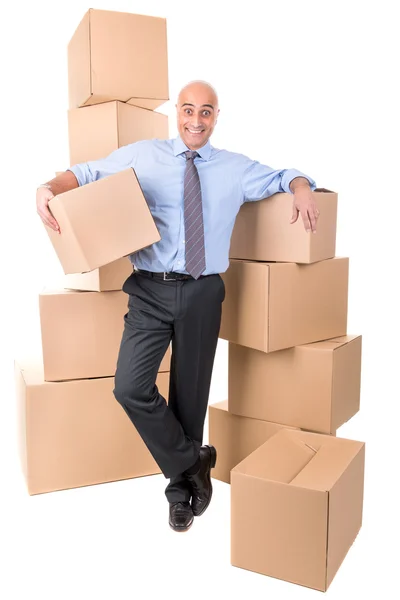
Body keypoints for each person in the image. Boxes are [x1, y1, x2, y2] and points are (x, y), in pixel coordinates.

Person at [36, 80, 318, 533]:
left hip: (203, 291)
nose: (195, 120)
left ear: (216, 117)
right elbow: (84, 173)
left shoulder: (234, 168)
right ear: (177, 113)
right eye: (188, 110)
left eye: (206, 112)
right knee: (130, 387)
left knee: (191, 394)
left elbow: (285, 175)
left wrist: (302, 187)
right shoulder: (143, 155)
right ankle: (194, 459)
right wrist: (47, 187)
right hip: (148, 289)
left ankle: (178, 493)